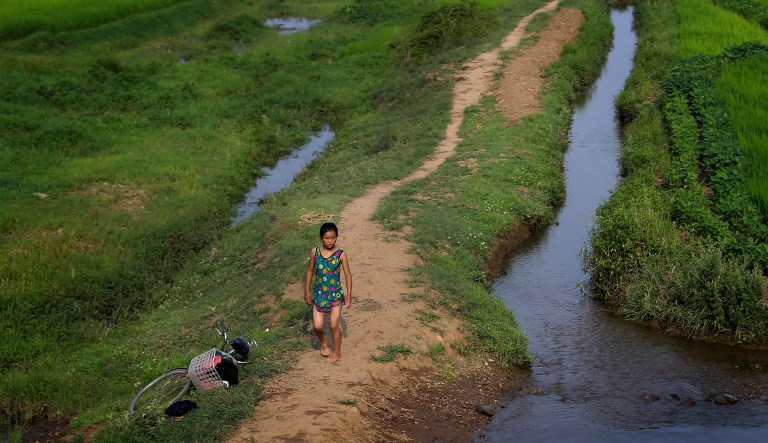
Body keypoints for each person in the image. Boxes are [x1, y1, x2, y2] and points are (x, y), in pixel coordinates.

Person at [304, 222, 352, 363]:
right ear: (321, 238)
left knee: (333, 324)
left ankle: (337, 352)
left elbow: (348, 275)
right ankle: (323, 343)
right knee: (318, 326)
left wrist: (349, 295)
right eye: (327, 238)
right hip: (319, 295)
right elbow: (310, 271)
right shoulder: (315, 252)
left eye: (333, 238)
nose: (330, 241)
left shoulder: (341, 254)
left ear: (336, 237)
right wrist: (307, 291)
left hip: (335, 295)